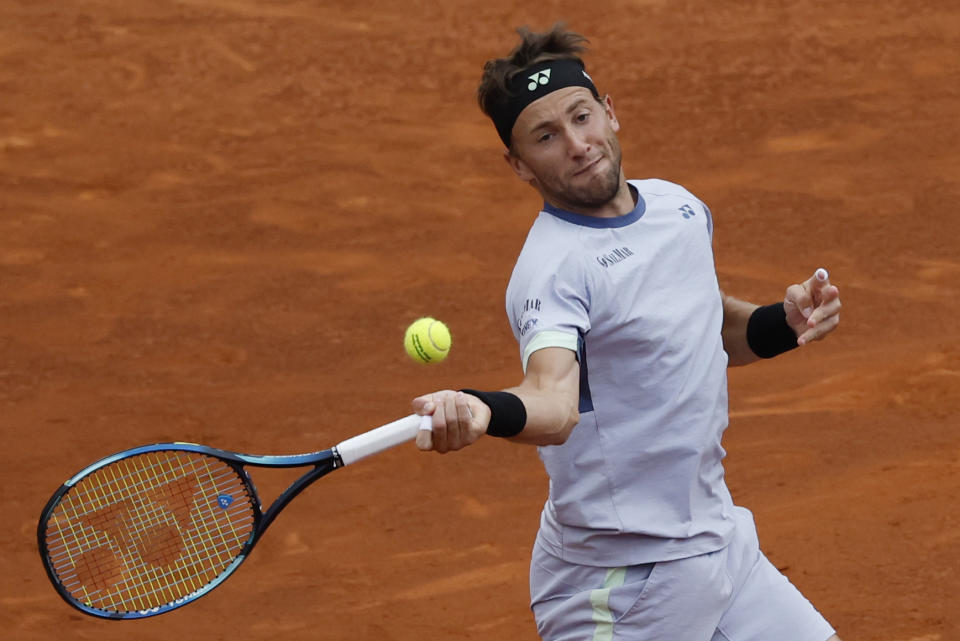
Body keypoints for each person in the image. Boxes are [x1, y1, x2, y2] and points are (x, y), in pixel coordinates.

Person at [412, 24, 843, 641]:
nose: (578, 145)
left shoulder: (679, 209)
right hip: (621, 582)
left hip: (717, 542)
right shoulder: (551, 272)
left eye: (582, 117)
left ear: (610, 112)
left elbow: (709, 327)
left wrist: (785, 321)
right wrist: (482, 408)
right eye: (546, 136)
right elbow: (554, 405)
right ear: (518, 165)